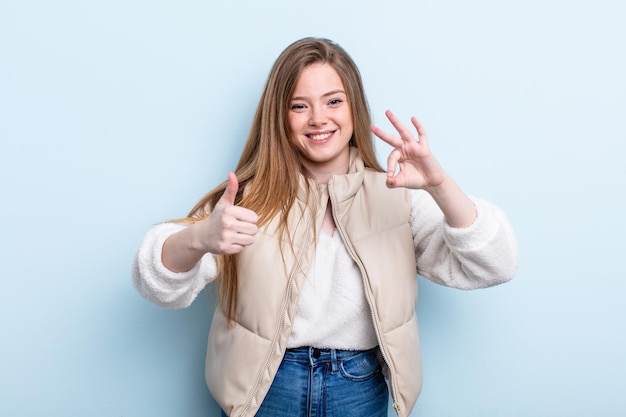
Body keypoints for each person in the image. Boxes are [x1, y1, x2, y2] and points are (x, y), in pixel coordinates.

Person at [132, 37, 518, 417]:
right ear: (279, 117)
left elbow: (494, 265)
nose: (318, 118)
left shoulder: (396, 196)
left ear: (354, 107)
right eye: (299, 105)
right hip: (265, 389)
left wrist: (439, 185)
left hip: (359, 388)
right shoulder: (249, 199)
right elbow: (156, 283)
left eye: (334, 101)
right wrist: (199, 237)